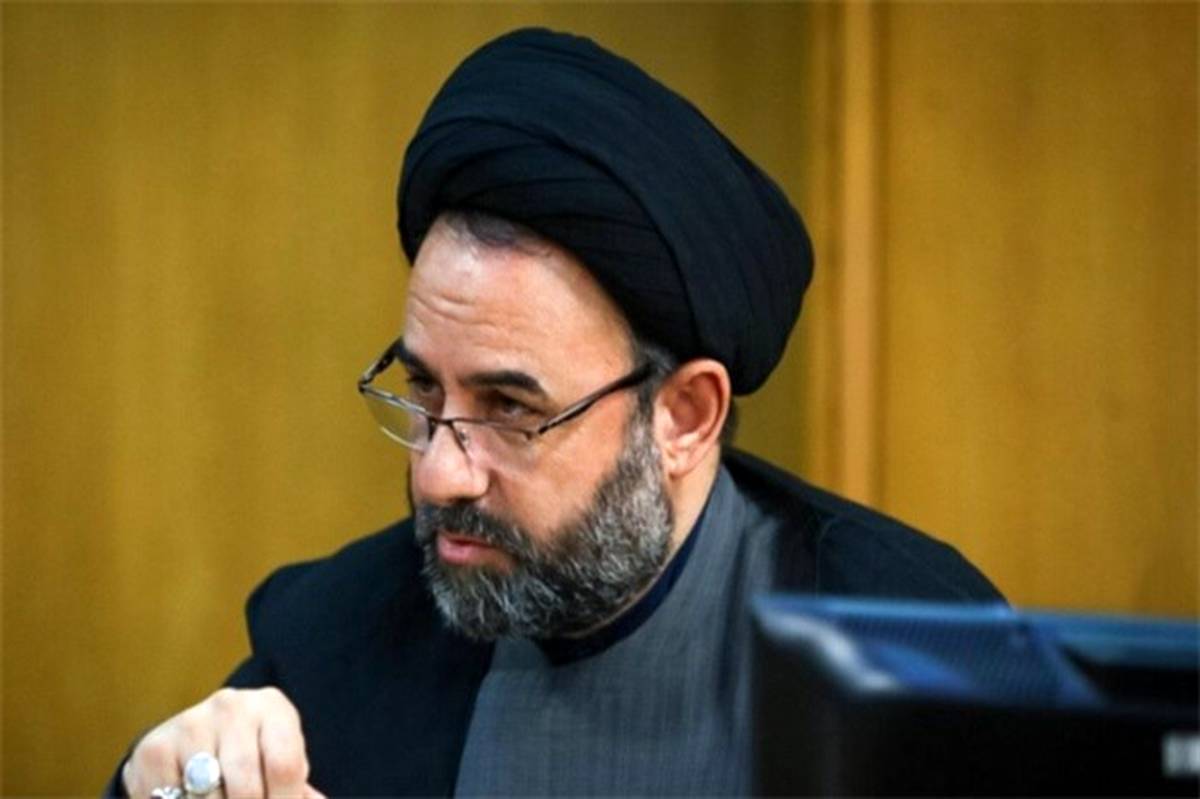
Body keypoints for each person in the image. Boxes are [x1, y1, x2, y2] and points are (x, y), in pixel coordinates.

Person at [111, 28, 1002, 798]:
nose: (438, 474)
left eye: (508, 407)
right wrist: (164, 779)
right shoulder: (340, 633)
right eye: (425, 390)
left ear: (684, 416)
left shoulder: (917, 654)